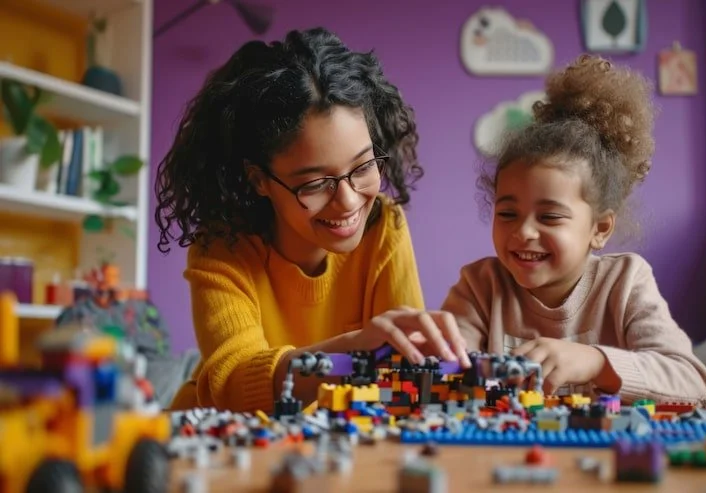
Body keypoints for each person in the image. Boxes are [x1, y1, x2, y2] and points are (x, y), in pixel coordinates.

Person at [154, 27, 470, 413]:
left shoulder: (385, 226)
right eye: (316, 183)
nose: (349, 200)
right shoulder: (223, 247)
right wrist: (355, 348)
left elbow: (399, 376)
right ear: (259, 180)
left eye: (364, 166)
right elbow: (233, 384)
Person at [441, 55, 706, 405]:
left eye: (550, 217)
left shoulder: (626, 282)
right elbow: (445, 370)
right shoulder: (479, 288)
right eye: (508, 213)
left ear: (599, 229)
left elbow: (691, 381)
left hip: (607, 455)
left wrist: (595, 362)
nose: (524, 232)